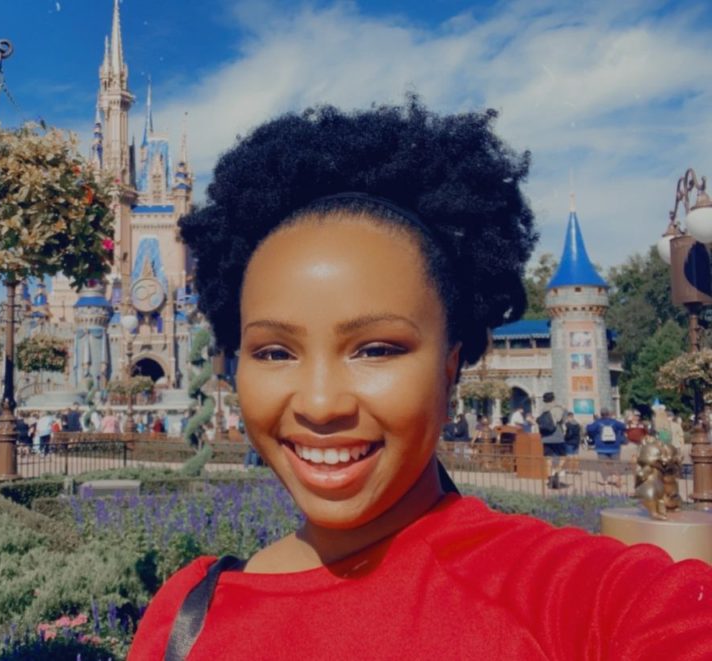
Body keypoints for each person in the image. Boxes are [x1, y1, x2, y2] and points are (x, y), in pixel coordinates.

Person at [127, 101, 712, 659]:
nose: (321, 403)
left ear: (452, 364)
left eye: (376, 348)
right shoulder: (186, 615)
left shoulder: (574, 599)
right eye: (275, 351)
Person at [587, 407, 627, 487]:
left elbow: (589, 429)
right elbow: (624, 427)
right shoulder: (614, 422)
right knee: (616, 464)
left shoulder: (597, 423)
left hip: (601, 447)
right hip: (614, 447)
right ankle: (617, 478)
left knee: (603, 464)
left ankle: (605, 480)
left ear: (601, 414)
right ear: (608, 414)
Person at [537, 392, 567, 489]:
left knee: (548, 458)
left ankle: (550, 478)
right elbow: (560, 420)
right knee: (563, 456)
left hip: (545, 437)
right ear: (553, 398)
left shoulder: (542, 410)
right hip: (557, 436)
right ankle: (556, 472)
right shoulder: (557, 408)